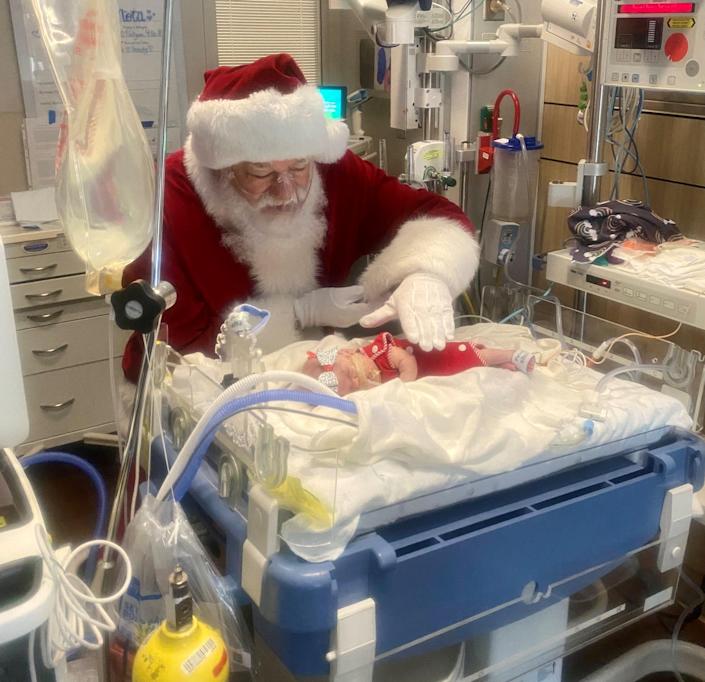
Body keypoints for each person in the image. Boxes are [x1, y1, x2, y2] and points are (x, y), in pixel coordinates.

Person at [121, 53, 479, 382]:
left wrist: (427, 272)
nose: (285, 190)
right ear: (222, 169)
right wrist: (299, 313)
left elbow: (436, 214)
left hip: (316, 376)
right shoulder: (166, 200)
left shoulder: (333, 172)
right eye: (260, 172)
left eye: (298, 167)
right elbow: (180, 348)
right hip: (184, 390)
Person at [302, 332, 535, 396]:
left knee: (467, 359)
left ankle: (511, 354)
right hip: (434, 374)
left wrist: (405, 386)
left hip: (431, 359)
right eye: (351, 387)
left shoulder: (378, 353)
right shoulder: (367, 381)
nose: (356, 382)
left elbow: (407, 361)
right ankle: (499, 366)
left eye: (352, 373)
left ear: (347, 353)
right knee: (469, 372)